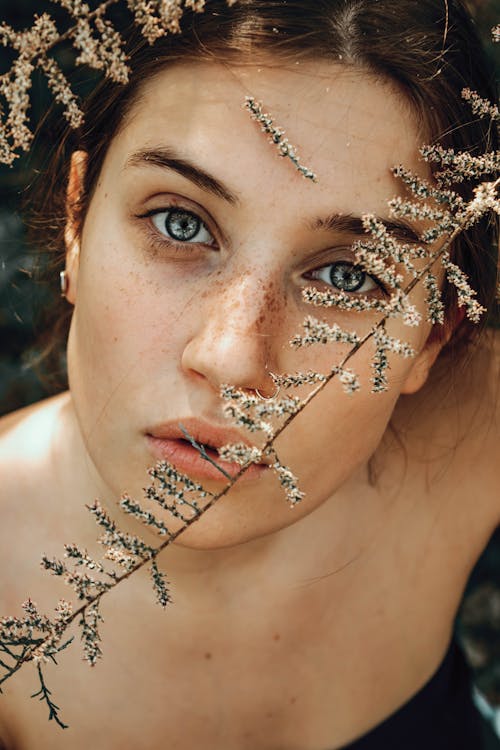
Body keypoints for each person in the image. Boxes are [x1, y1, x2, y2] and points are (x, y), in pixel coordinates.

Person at [0, 0, 499, 747]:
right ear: (77, 221)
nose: (233, 360)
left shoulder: (472, 432)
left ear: (432, 338)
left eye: (349, 276)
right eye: (181, 223)